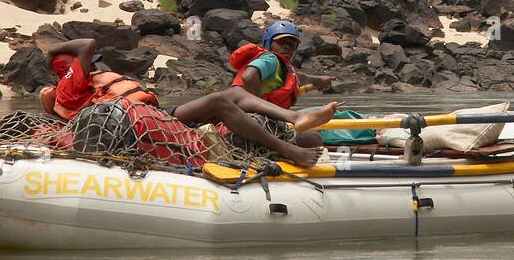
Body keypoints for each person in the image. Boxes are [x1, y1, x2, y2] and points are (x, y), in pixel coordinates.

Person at [39, 37, 328, 166]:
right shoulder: (70, 80)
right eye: (90, 64)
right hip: (143, 125)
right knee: (222, 104)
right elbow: (87, 43)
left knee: (232, 95)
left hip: (154, 116)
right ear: (68, 68)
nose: (95, 66)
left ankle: (295, 117)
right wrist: (54, 50)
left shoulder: (78, 87)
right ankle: (289, 150)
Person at [230, 20, 337, 146]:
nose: (287, 47)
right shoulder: (270, 59)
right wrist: (259, 113)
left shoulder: (283, 68)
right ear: (267, 44)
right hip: (250, 122)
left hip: (240, 119)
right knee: (313, 139)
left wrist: (319, 81)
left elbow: (299, 77)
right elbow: (248, 77)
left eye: (292, 44)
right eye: (281, 42)